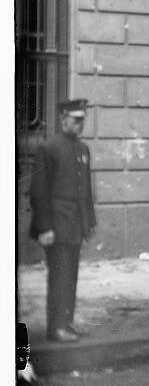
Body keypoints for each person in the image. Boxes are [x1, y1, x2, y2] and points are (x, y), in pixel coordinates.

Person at [29, 99, 96, 343]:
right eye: (75, 120)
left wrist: (89, 223)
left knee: (71, 276)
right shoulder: (49, 148)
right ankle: (55, 327)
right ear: (63, 119)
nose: (79, 125)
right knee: (58, 277)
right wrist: (44, 227)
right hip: (56, 226)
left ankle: (66, 324)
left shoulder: (83, 149)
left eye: (82, 121)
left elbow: (85, 190)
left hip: (75, 225)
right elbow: (39, 191)